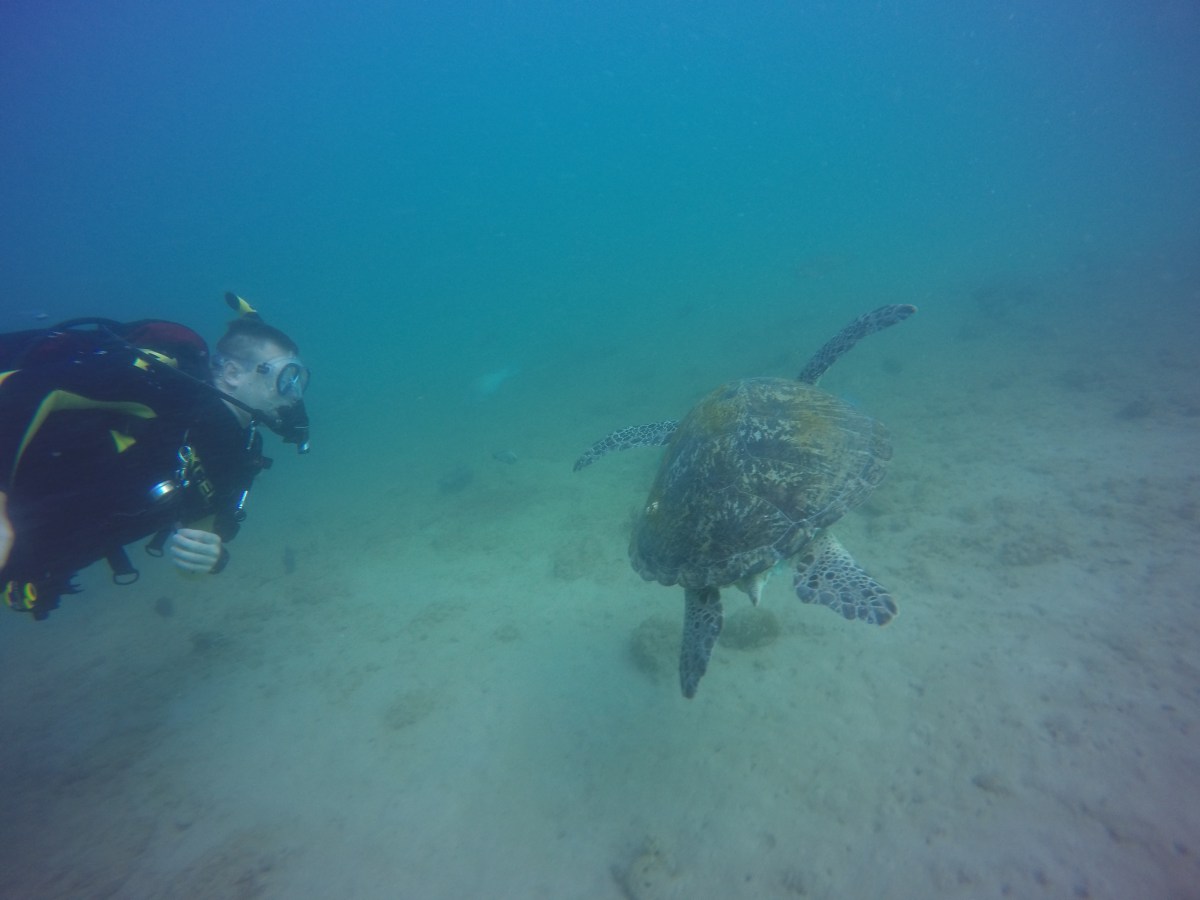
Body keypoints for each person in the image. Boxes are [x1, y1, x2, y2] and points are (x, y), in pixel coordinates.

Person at [0, 294, 310, 619]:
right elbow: (18, 391)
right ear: (232, 372)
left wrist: (209, 558)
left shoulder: (240, 453)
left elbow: (195, 547)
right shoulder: (165, 387)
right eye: (285, 378)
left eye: (300, 380)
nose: (295, 395)